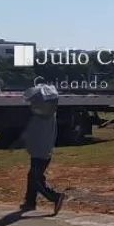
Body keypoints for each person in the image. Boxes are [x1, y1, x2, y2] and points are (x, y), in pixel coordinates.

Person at [14, 83, 67, 215]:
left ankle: (55, 196)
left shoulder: (44, 117)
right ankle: (30, 202)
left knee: (35, 179)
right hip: (40, 150)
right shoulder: (46, 115)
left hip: (42, 152)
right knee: (32, 176)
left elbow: (32, 132)